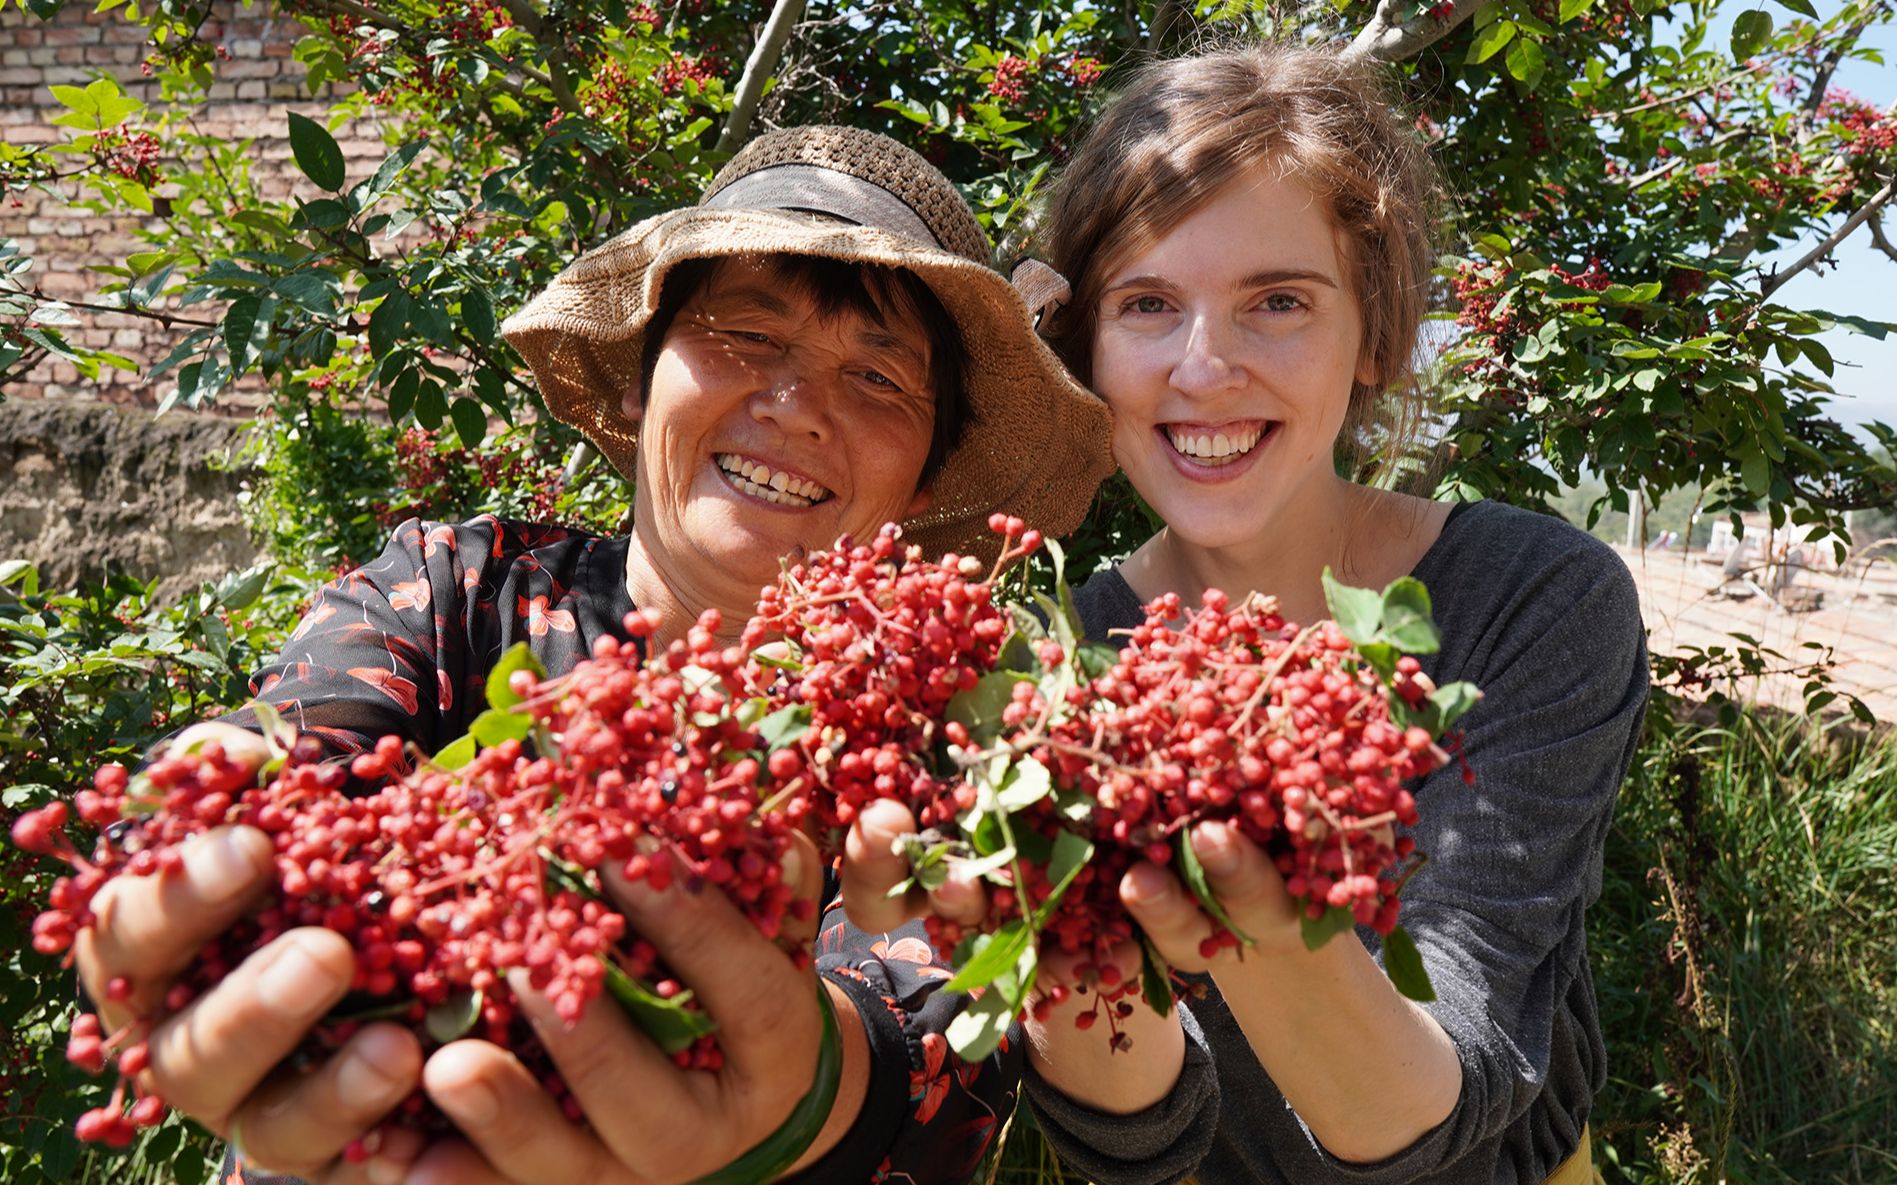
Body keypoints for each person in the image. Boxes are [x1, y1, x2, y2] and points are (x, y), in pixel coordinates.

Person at [70, 125, 1114, 1185]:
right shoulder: (457, 588)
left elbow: (921, 1053)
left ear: (927, 483)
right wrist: (179, 889)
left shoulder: (947, 743)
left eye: (880, 380)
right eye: (748, 334)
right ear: (637, 381)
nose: (795, 408)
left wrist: (795, 1093)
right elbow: (279, 778)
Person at [847, 45, 1647, 1185]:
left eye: (1277, 301)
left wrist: (1262, 932)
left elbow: (1457, 1085)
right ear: (1086, 353)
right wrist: (1069, 948)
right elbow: (1134, 1144)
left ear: (1373, 336)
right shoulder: (1050, 670)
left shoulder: (1530, 598)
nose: (1204, 367)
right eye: (1147, 305)